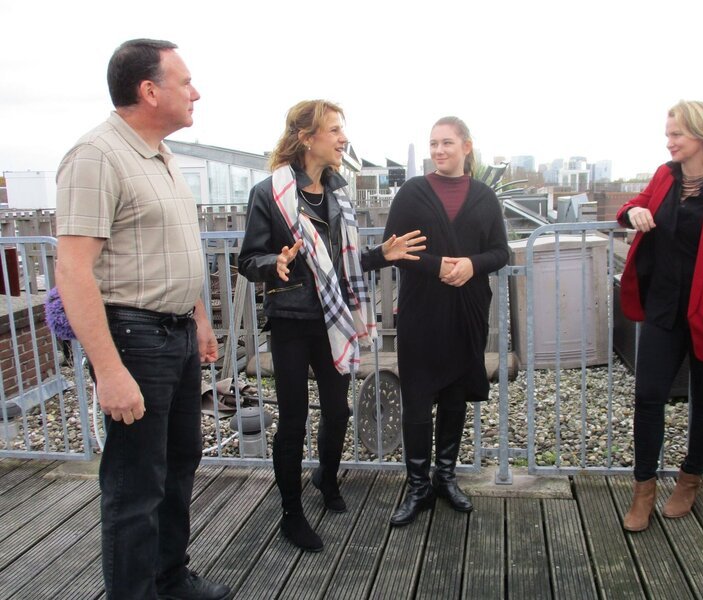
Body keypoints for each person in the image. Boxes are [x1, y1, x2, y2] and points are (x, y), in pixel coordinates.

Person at [55, 39, 231, 599]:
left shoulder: (159, 155)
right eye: (184, 82)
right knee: (135, 484)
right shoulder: (97, 156)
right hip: (134, 338)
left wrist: (199, 318)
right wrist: (108, 371)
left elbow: (174, 249)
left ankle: (169, 578)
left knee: (179, 462)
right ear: (149, 90)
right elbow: (73, 269)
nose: (195, 91)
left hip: (175, 333)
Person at [238, 100, 425, 552]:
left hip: (333, 318)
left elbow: (343, 263)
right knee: (294, 420)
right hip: (291, 319)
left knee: (338, 411)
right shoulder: (270, 194)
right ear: (307, 137)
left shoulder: (339, 194)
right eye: (335, 130)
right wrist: (273, 263)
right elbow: (248, 258)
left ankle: (325, 474)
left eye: (343, 130)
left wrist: (383, 255)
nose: (343, 138)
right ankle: (291, 513)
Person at [617, 100, 703, 532]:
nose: (670, 141)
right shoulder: (664, 176)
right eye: (669, 133)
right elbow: (633, 207)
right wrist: (632, 213)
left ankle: (690, 480)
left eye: (677, 134)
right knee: (648, 396)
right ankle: (644, 490)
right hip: (663, 308)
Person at [381, 116, 510, 526]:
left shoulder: (485, 197)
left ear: (466, 147)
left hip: (468, 310)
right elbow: (393, 249)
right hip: (422, 311)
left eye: (447, 143)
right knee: (417, 399)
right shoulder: (412, 194)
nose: (439, 150)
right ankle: (417, 486)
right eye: (434, 143)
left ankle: (445, 477)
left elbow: (500, 252)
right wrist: (438, 266)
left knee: (455, 396)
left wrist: (472, 264)